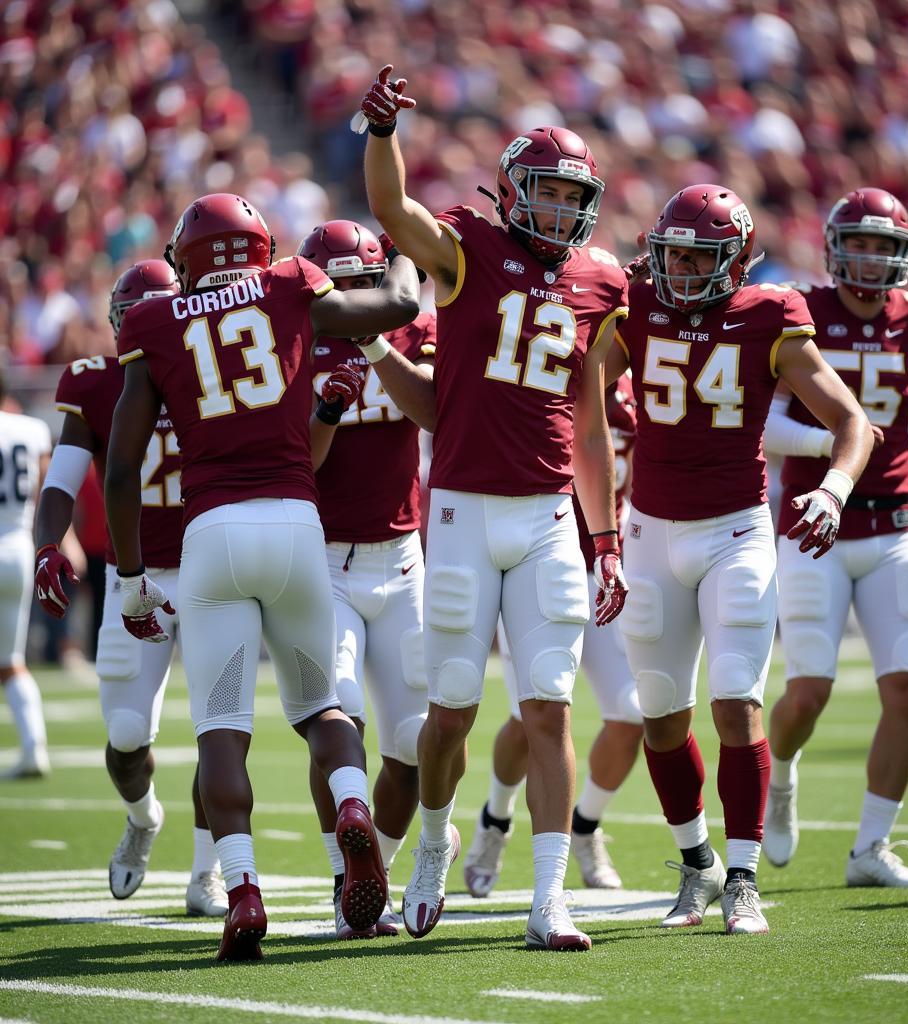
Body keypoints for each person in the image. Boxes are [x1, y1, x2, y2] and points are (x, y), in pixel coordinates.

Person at [103, 192, 420, 961]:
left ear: (187, 259)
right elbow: (400, 303)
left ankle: (242, 891)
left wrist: (137, 577)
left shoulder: (154, 323)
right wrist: (400, 244)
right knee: (320, 708)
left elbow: (120, 472)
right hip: (296, 523)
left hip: (211, 532)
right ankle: (352, 808)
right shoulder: (289, 285)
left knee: (221, 726)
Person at [359, 65, 629, 951]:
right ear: (513, 191)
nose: (558, 212)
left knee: (549, 708)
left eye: (571, 197)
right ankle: (433, 846)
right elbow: (395, 212)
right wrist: (383, 132)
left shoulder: (599, 279)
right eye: (545, 194)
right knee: (453, 709)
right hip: (465, 511)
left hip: (550, 514)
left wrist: (608, 537)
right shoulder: (469, 244)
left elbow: (590, 425)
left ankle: (548, 898)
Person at [607, 184, 873, 934]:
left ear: (736, 262)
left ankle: (744, 878)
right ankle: (696, 866)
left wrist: (834, 487)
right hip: (649, 531)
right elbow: (582, 387)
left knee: (735, 701)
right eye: (674, 254)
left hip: (734, 532)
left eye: (699, 256)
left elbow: (853, 423)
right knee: (659, 715)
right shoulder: (636, 303)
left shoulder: (771, 315)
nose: (682, 270)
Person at [763, 187, 908, 887]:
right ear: (834, 247)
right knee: (807, 695)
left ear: (904, 255)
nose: (869, 256)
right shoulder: (799, 311)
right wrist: (833, 438)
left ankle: (870, 848)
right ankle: (783, 773)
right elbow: (762, 424)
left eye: (883, 245)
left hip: (894, 524)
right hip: (815, 521)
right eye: (857, 242)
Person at [34, 259, 228, 915]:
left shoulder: (214, 368)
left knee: (217, 729)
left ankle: (207, 871)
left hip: (208, 567)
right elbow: (61, 481)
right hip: (131, 576)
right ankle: (143, 817)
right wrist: (46, 544)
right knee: (124, 735)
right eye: (130, 320)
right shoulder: (93, 383)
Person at [296, 219, 434, 938]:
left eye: (363, 281)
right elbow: (303, 463)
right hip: (326, 561)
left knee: (412, 746)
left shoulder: (408, 332)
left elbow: (435, 410)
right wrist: (327, 405)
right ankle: (340, 876)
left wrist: (379, 354)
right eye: (339, 283)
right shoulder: (294, 342)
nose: (353, 296)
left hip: (404, 559)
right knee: (338, 720)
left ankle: (370, 872)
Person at [464, 376, 642, 896]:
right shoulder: (542, 368)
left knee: (631, 714)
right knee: (529, 717)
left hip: (604, 569)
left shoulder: (646, 375)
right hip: (536, 565)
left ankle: (585, 826)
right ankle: (496, 819)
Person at [0, 368, 52, 779]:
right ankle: (35, 746)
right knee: (12, 661)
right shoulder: (30, 429)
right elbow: (48, 488)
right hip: (19, 548)